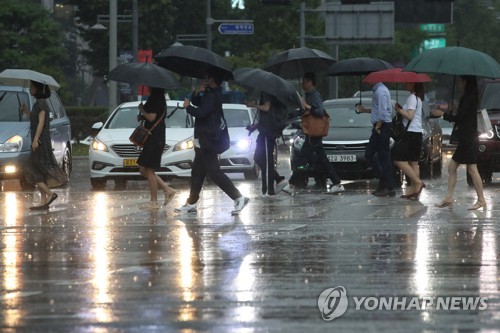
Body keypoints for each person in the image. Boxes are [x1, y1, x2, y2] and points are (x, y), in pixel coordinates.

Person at [175, 69, 250, 215]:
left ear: (212, 79)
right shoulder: (210, 92)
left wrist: (187, 107)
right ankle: (191, 203)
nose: (204, 78)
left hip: (208, 139)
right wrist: (196, 93)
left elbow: (201, 113)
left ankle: (238, 197)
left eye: (206, 76)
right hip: (203, 138)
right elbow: (199, 103)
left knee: (214, 172)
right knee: (197, 172)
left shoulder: (213, 95)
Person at [432, 75, 486, 210]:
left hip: (468, 139)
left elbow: (460, 118)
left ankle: (481, 200)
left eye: (461, 81)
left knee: (473, 170)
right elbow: (463, 116)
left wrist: (443, 114)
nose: (459, 84)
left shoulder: (468, 98)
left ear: (466, 82)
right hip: (466, 139)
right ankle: (448, 198)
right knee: (452, 168)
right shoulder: (470, 97)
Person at [286, 72, 344, 194]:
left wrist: (306, 105)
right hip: (311, 133)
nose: (302, 84)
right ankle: (337, 182)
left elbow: (320, 112)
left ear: (310, 83)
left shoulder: (314, 95)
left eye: (304, 82)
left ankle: (291, 184)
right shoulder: (308, 95)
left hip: (313, 133)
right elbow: (305, 112)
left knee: (302, 159)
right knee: (322, 159)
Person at [22, 80, 67, 210]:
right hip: (40, 141)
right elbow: (36, 118)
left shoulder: (42, 104)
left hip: (41, 142)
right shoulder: (38, 104)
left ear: (38, 89)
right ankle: (43, 201)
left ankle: (50, 194)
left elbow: (41, 123)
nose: (30, 89)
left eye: (32, 87)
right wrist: (27, 112)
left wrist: (36, 140)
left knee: (31, 170)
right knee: (40, 171)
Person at [137, 87, 176, 208]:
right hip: (154, 138)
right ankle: (167, 190)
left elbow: (152, 118)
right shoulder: (156, 98)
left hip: (155, 138)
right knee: (143, 170)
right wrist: (142, 115)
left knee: (149, 170)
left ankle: (154, 201)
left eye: (149, 85)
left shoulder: (156, 98)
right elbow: (150, 117)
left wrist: (142, 109)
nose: (147, 86)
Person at [357, 81, 396, 197]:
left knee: (383, 157)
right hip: (379, 126)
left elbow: (383, 112)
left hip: (382, 126)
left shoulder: (380, 91)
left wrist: (378, 126)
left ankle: (388, 186)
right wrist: (365, 110)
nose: (366, 81)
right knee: (371, 154)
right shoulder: (378, 90)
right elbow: (378, 110)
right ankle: (383, 181)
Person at [246, 92, 288, 197]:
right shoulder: (266, 92)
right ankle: (276, 181)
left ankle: (269, 190)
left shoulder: (267, 92)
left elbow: (266, 108)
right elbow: (266, 116)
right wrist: (254, 127)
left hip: (268, 133)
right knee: (258, 158)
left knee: (266, 161)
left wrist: (253, 105)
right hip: (265, 131)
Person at [393, 82, 426, 200]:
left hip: (411, 133)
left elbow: (410, 116)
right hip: (416, 133)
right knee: (413, 162)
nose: (406, 84)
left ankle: (417, 182)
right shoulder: (418, 98)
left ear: (413, 85)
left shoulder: (412, 97)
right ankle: (414, 191)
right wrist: (401, 108)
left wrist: (398, 109)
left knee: (398, 159)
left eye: (409, 83)